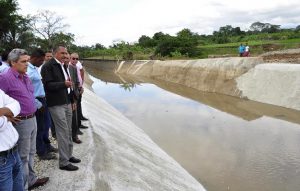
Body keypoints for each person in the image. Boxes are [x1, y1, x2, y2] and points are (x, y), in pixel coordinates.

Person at [0, 48, 49, 190]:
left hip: (32, 118)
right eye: (23, 61)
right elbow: (2, 100)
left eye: (27, 60)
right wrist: (8, 115)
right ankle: (23, 185)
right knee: (22, 156)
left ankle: (32, 179)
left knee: (31, 152)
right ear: (13, 62)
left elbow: (27, 96)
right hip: (21, 122)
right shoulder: (5, 78)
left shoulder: (25, 76)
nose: (27, 64)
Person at [41, 45, 81, 171]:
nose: (65, 55)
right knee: (62, 132)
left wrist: (72, 100)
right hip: (56, 104)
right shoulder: (48, 66)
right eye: (62, 53)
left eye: (66, 53)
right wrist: (63, 84)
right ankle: (63, 162)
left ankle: (68, 155)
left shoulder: (64, 65)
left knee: (68, 130)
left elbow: (69, 85)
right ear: (55, 54)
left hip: (67, 102)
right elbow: (48, 86)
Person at [26, 49, 57, 160]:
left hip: (42, 99)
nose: (42, 62)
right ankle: (41, 152)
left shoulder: (35, 69)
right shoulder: (28, 71)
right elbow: (26, 91)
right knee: (40, 127)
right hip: (37, 101)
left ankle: (47, 146)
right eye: (41, 60)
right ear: (35, 58)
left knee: (46, 125)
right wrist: (37, 104)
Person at [0, 89, 24, 191]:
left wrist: (1, 111)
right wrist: (7, 118)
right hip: (2, 159)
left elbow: (16, 105)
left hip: (13, 152)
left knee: (19, 187)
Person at [64, 54, 82, 144]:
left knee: (74, 117)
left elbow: (77, 81)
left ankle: (74, 135)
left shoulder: (73, 68)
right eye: (65, 58)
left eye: (67, 58)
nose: (66, 60)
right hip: (63, 97)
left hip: (72, 96)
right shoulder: (60, 69)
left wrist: (78, 91)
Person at [70, 53, 89, 128]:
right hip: (74, 90)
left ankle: (79, 120)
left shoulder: (77, 65)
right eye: (73, 58)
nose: (75, 60)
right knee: (75, 108)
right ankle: (77, 126)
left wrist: (81, 86)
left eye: (77, 59)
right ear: (70, 58)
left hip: (79, 88)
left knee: (78, 105)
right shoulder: (69, 67)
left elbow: (81, 72)